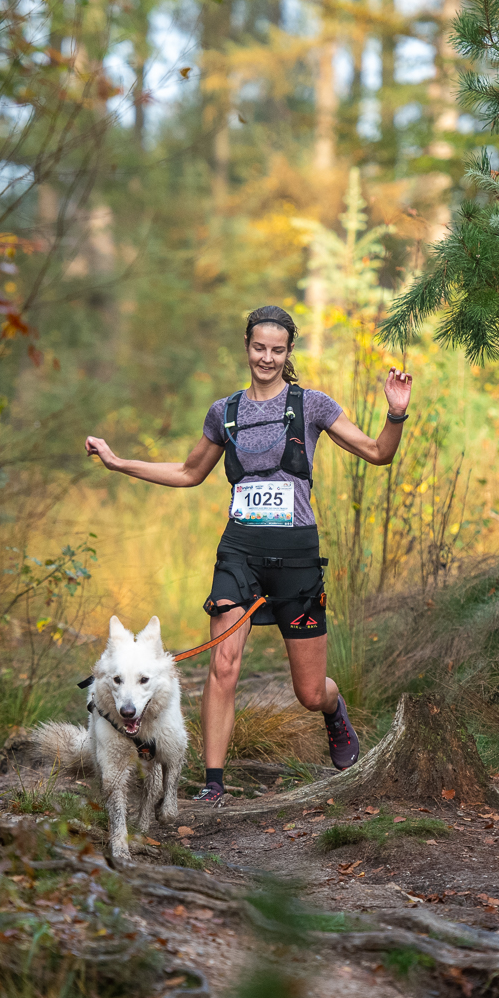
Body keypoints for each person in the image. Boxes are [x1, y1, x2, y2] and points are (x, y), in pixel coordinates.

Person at [83, 305, 414, 802]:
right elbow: (189, 472)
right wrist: (118, 462)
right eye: (259, 348)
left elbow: (378, 453)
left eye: (277, 350)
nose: (267, 358)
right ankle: (214, 785)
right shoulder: (225, 412)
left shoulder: (312, 405)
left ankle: (333, 710)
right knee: (223, 666)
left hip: (297, 554)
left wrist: (395, 412)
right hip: (239, 551)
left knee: (308, 692)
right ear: (247, 347)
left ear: (288, 353)